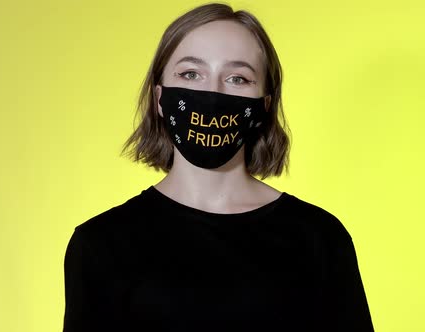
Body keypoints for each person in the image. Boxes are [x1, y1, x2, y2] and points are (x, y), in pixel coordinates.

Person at [62, 2, 374, 331]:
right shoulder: (100, 244)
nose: (212, 92)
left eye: (238, 78)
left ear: (264, 104)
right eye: (191, 74)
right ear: (159, 98)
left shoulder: (319, 238)